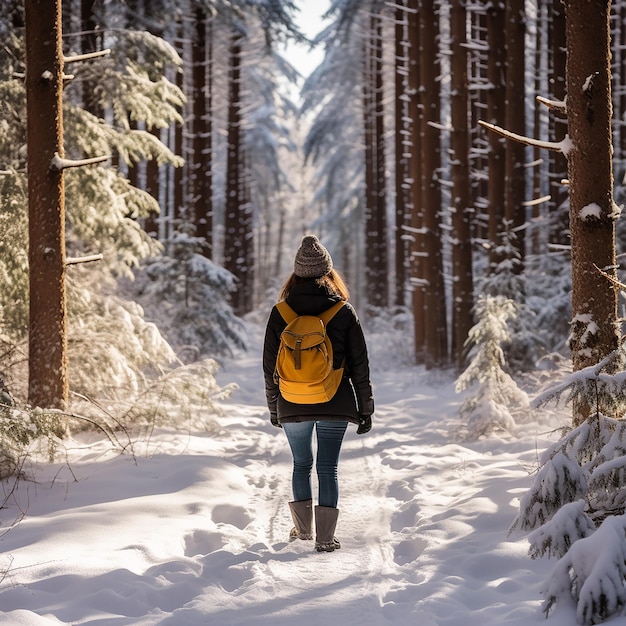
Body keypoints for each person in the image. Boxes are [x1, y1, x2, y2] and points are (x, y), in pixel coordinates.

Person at [263, 234, 375, 553]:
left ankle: (302, 532)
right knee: (328, 467)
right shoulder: (343, 311)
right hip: (334, 401)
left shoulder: (280, 312)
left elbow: (269, 366)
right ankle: (326, 538)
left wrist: (275, 407)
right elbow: (359, 366)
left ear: (295, 274)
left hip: (291, 400)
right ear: (329, 273)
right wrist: (364, 408)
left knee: (301, 464)